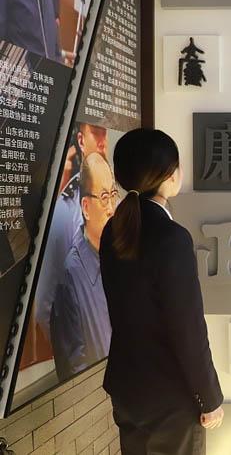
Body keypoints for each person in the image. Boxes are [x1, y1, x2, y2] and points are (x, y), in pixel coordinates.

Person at [99, 128, 223, 454]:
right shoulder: (171, 237)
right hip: (170, 397)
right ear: (169, 175)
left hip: (128, 388)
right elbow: (188, 328)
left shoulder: (113, 230)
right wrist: (210, 398)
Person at [35, 123, 108, 345]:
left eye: (104, 133)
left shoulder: (117, 200)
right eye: (95, 133)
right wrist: (73, 354)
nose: (103, 141)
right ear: (81, 141)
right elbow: (45, 303)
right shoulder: (65, 210)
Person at [50, 153, 116, 380]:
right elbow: (73, 370)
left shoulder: (116, 257)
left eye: (113, 194)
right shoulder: (71, 275)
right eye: (104, 197)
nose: (112, 208)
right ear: (86, 208)